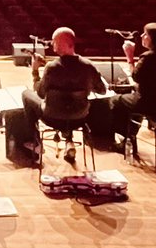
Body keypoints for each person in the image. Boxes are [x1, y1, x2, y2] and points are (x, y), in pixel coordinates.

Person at [22, 27, 106, 163]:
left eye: (54, 42)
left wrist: (35, 71)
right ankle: (69, 141)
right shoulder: (88, 66)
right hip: (80, 118)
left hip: (52, 118)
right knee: (70, 104)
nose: (52, 45)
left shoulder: (52, 68)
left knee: (26, 94)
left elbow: (40, 93)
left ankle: (34, 141)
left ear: (62, 44)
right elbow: (102, 90)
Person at [110, 23, 156, 151]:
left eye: (145, 34)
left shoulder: (148, 57)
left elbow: (135, 77)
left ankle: (127, 140)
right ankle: (131, 136)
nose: (141, 36)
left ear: (153, 38)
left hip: (150, 102)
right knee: (134, 99)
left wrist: (130, 56)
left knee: (116, 100)